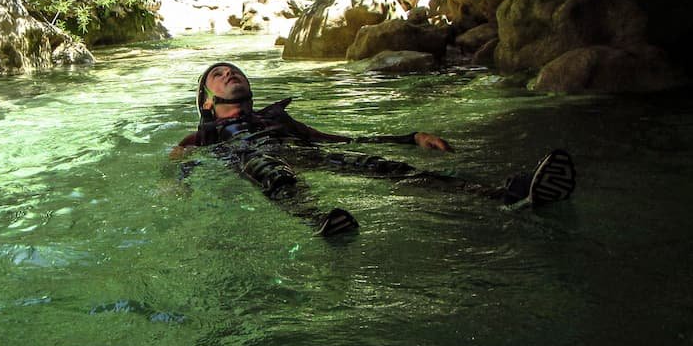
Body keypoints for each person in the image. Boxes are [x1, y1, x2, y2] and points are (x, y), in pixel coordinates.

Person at [172, 61, 575, 237]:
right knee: (274, 174)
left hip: (300, 151)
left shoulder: (281, 121)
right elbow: (179, 159)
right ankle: (319, 221)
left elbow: (340, 141)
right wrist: (176, 184)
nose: (230, 76)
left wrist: (410, 139)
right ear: (208, 101)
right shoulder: (205, 134)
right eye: (219, 76)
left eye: (235, 72)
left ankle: (502, 194)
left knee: (377, 166)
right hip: (250, 158)